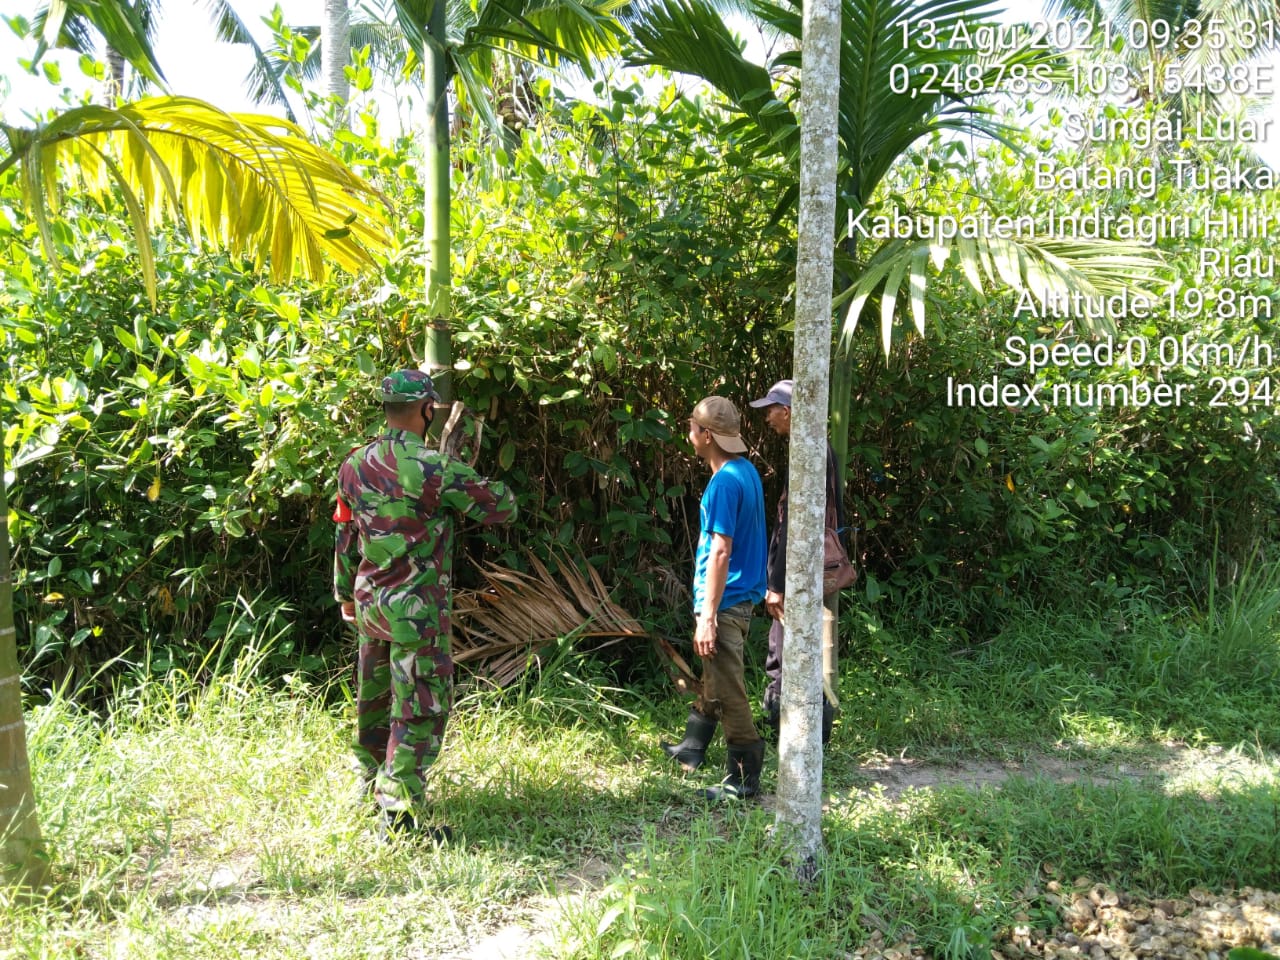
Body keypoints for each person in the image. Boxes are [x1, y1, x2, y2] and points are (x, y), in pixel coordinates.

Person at [334, 369, 516, 839]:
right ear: (427, 410)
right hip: (415, 610)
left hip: (370, 602)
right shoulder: (435, 468)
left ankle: (371, 784)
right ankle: (397, 817)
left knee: (373, 699)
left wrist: (343, 594)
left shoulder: (353, 464)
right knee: (419, 707)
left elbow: (345, 532)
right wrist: (465, 464)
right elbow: (502, 506)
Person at [660, 396, 768, 799]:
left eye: (692, 427)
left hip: (725, 600)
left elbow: (721, 549)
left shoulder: (724, 482)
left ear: (705, 435)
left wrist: (708, 615)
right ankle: (692, 747)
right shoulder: (746, 471)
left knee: (727, 689)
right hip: (738, 596)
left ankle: (743, 778)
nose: (689, 434)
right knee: (714, 673)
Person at [748, 378, 844, 744]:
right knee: (805, 650)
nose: (767, 418)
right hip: (816, 569)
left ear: (787, 412)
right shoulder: (824, 450)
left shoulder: (807, 455)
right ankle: (810, 736)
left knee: (783, 651)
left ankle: (789, 737)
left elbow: (791, 526)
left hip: (800, 573)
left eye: (770, 410)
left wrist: (776, 583)